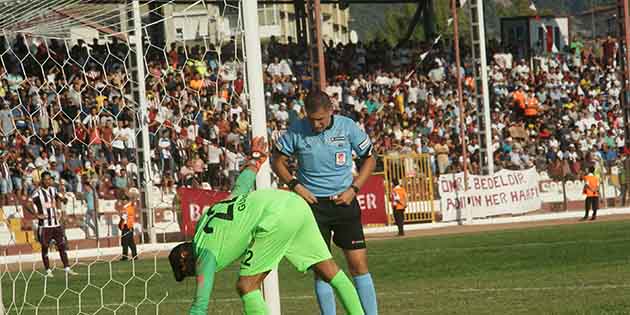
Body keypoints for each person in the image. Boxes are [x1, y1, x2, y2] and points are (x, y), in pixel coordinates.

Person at [169, 137, 364, 315]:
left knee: (246, 285)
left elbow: (199, 306)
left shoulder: (204, 254)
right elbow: (240, 189)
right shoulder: (206, 219)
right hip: (292, 202)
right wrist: (254, 162)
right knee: (331, 272)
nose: (195, 274)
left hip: (274, 217)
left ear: (185, 256)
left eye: (187, 272)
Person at [272, 90, 378, 315]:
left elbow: (370, 158)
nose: (316, 124)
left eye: (320, 119)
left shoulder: (347, 126)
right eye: (312, 119)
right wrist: (295, 185)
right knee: (322, 270)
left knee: (358, 266)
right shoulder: (297, 130)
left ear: (331, 111)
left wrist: (354, 188)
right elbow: (277, 160)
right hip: (312, 208)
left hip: (344, 203)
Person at [24, 171, 78, 277]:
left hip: (55, 224)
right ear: (42, 180)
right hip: (44, 225)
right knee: (45, 247)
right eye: (46, 179)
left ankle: (67, 268)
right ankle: (48, 270)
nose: (49, 181)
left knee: (62, 246)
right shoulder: (37, 192)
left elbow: (61, 198)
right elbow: (28, 204)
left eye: (50, 179)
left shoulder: (53, 190)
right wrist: (36, 215)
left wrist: (64, 200)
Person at [118, 194, 138, 261]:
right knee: (131, 242)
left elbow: (123, 218)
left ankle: (125, 256)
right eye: (122, 200)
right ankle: (135, 256)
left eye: (124, 200)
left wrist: (120, 224)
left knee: (125, 242)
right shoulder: (130, 207)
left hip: (126, 227)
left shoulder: (126, 208)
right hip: (130, 226)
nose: (123, 201)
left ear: (127, 200)